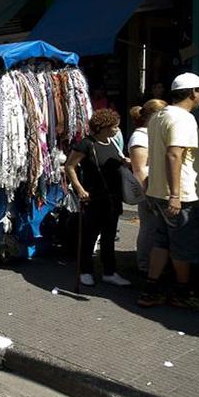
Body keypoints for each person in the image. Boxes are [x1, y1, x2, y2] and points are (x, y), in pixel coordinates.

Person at [137, 73, 199, 310]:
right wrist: (176, 195)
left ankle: (151, 289)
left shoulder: (159, 116)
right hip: (182, 196)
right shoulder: (184, 119)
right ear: (193, 92)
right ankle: (183, 292)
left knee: (162, 242)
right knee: (183, 246)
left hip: (158, 192)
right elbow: (174, 153)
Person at [64, 109, 132, 287]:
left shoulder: (113, 143)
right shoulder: (87, 144)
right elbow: (70, 166)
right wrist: (79, 189)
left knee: (109, 236)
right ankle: (85, 270)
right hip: (94, 197)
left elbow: (118, 161)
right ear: (103, 127)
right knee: (90, 236)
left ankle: (109, 272)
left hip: (113, 197)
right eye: (114, 127)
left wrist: (126, 162)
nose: (117, 130)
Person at [128, 99, 169, 272]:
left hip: (159, 189)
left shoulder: (154, 134)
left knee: (157, 229)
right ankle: (144, 264)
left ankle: (153, 264)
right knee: (150, 228)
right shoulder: (140, 137)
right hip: (150, 190)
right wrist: (148, 193)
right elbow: (139, 170)